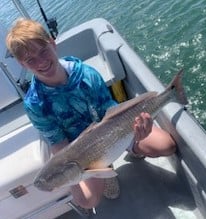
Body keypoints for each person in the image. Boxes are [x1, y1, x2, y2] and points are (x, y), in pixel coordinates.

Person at [6, 18, 176, 210]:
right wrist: (68, 177)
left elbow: (110, 111)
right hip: (81, 155)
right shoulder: (35, 104)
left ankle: (131, 150)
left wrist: (137, 131)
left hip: (115, 132)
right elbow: (58, 143)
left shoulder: (86, 74)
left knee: (167, 146)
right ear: (22, 64)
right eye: (30, 60)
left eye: (43, 51)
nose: (41, 62)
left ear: (52, 44)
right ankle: (106, 169)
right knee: (87, 200)